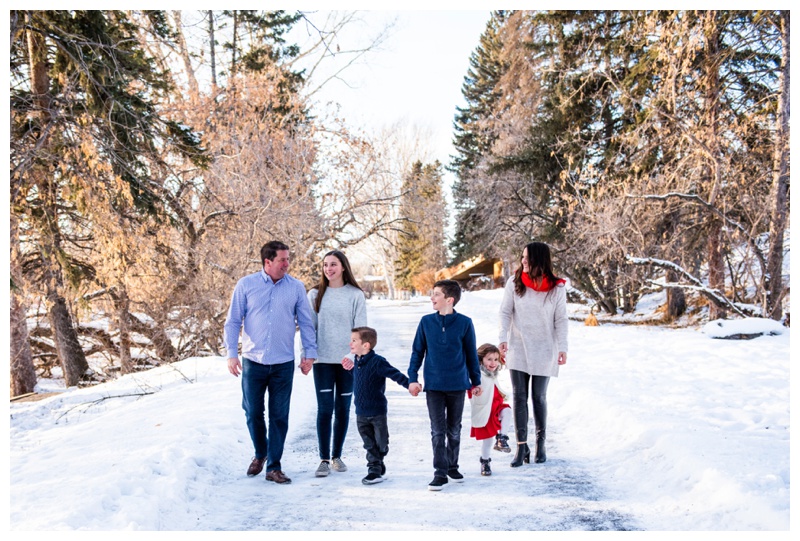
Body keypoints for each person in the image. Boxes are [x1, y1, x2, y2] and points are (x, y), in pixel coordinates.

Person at [223, 240, 317, 485]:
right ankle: (260, 452)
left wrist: (309, 354)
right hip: (253, 361)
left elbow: (306, 323)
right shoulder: (246, 285)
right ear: (268, 261)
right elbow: (233, 321)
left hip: (283, 363)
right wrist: (232, 353)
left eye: (288, 259)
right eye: (282, 260)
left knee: (279, 416)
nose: (287, 263)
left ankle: (274, 466)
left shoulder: (296, 287)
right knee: (253, 412)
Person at [408, 279, 482, 491]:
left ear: (449, 300)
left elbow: (471, 355)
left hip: (458, 385)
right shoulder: (426, 322)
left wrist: (475, 381)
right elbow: (417, 352)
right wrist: (413, 377)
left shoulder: (465, 323)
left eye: (436, 294)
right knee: (437, 431)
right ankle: (440, 472)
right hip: (434, 386)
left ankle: (452, 466)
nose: (432, 298)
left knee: (454, 430)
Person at [499, 241, 568, 467]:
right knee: (519, 396)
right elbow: (505, 313)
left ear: (539, 259)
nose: (523, 261)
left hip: (545, 347)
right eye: (522, 257)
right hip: (518, 346)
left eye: (527, 258)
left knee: (538, 397)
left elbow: (561, 319)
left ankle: (541, 444)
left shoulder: (556, 288)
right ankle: (521, 446)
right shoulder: (514, 283)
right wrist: (502, 340)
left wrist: (563, 348)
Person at [305, 250, 368, 478]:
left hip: (347, 363)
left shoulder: (355, 295)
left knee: (342, 410)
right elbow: (309, 328)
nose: (328, 269)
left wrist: (352, 356)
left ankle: (336, 456)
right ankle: (323, 459)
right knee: (325, 409)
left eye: (333, 264)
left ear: (343, 267)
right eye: (325, 265)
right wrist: (307, 355)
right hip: (323, 361)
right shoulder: (315, 295)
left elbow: (361, 329)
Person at [343, 326, 410, 485]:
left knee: (381, 443)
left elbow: (395, 374)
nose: (350, 344)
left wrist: (410, 385)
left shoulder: (378, 362)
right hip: (361, 412)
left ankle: (379, 460)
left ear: (366, 345)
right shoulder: (357, 361)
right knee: (368, 444)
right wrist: (350, 370)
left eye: (354, 340)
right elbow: (360, 379)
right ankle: (374, 469)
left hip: (377, 411)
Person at [468, 343, 512, 476]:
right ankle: (485, 461)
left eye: (495, 359)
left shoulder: (494, 371)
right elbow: (470, 386)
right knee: (487, 440)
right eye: (489, 359)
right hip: (485, 409)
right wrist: (473, 390)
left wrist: (502, 355)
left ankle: (502, 438)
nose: (493, 363)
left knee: (508, 411)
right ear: (481, 360)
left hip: (497, 406)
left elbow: (504, 361)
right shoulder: (477, 374)